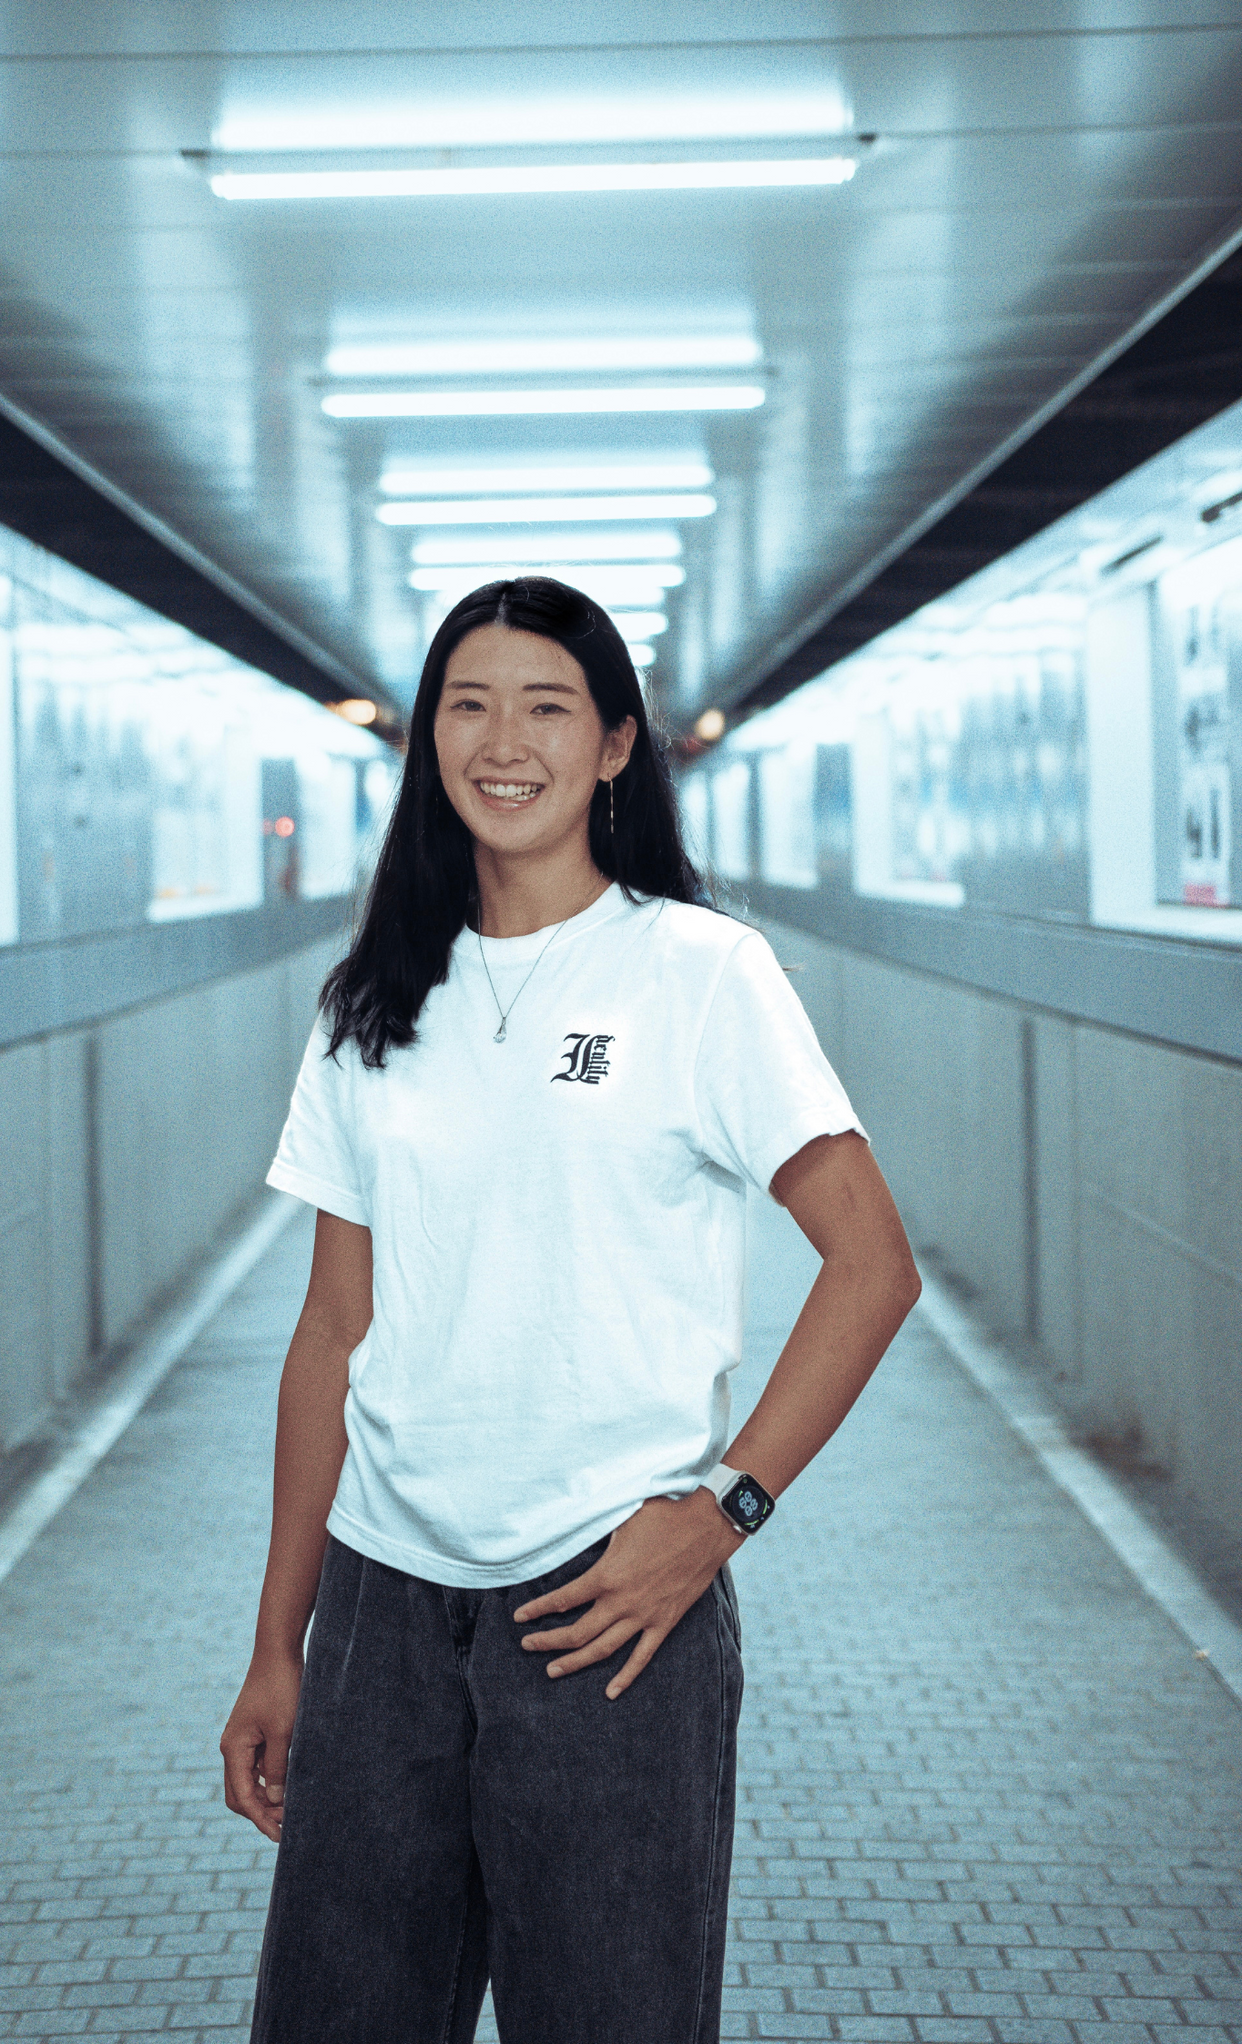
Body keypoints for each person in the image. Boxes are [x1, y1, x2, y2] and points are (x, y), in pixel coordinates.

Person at [221, 575, 921, 2044]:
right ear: (428, 741)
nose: (503, 739)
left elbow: (872, 1265)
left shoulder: (698, 974)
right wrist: (281, 1639)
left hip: (609, 1605)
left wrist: (723, 1511)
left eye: (547, 705)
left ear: (615, 745)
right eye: (466, 704)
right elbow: (329, 1336)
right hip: (380, 1607)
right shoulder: (372, 1001)